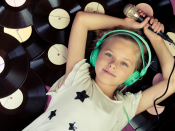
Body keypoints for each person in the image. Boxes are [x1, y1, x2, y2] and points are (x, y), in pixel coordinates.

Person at [22, 10, 175, 131]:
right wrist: (125, 24)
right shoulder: (77, 77)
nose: (113, 64)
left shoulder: (126, 108)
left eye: (124, 63)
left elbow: (172, 82)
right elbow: (82, 20)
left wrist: (156, 39)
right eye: (109, 54)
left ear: (134, 77)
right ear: (95, 56)